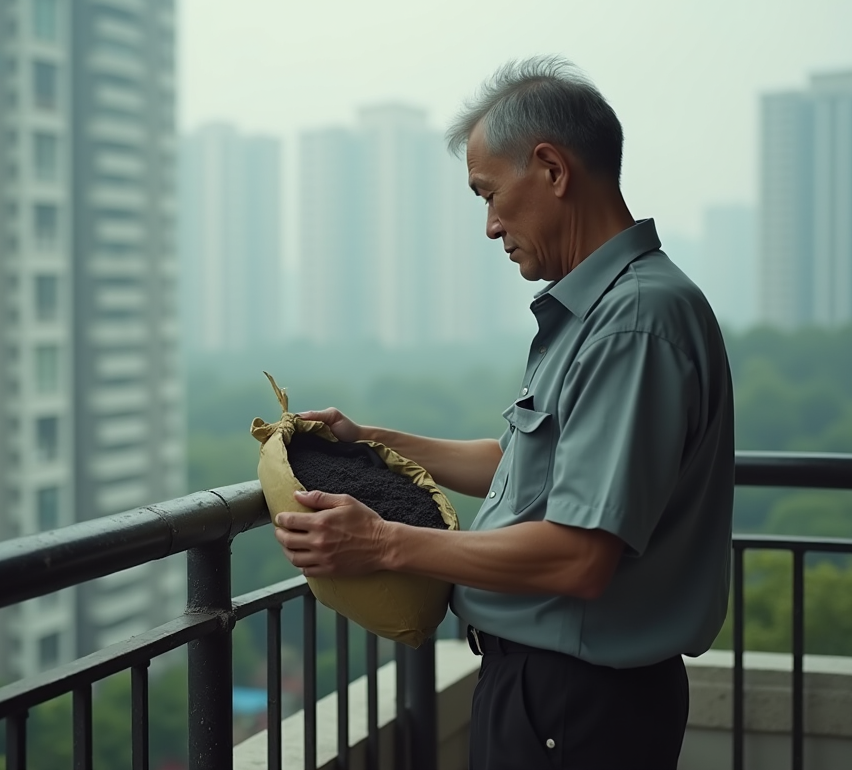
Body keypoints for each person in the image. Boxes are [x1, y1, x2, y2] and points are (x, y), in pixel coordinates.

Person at [273, 56, 735, 770]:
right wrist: (371, 441)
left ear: (551, 169)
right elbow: (524, 470)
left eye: (490, 194)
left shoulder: (633, 322)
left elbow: (580, 555)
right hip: (555, 695)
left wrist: (385, 543)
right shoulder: (601, 312)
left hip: (575, 707)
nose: (490, 227)